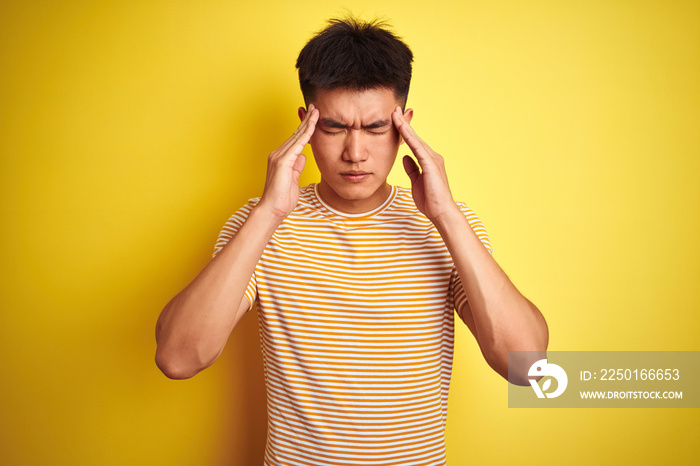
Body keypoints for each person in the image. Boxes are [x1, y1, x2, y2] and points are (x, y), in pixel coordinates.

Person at [155, 16, 548, 466]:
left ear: (405, 127)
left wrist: (446, 216)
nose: (355, 153)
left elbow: (528, 366)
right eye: (335, 127)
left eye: (377, 128)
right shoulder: (259, 224)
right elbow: (178, 358)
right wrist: (268, 213)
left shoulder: (447, 229)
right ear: (305, 123)